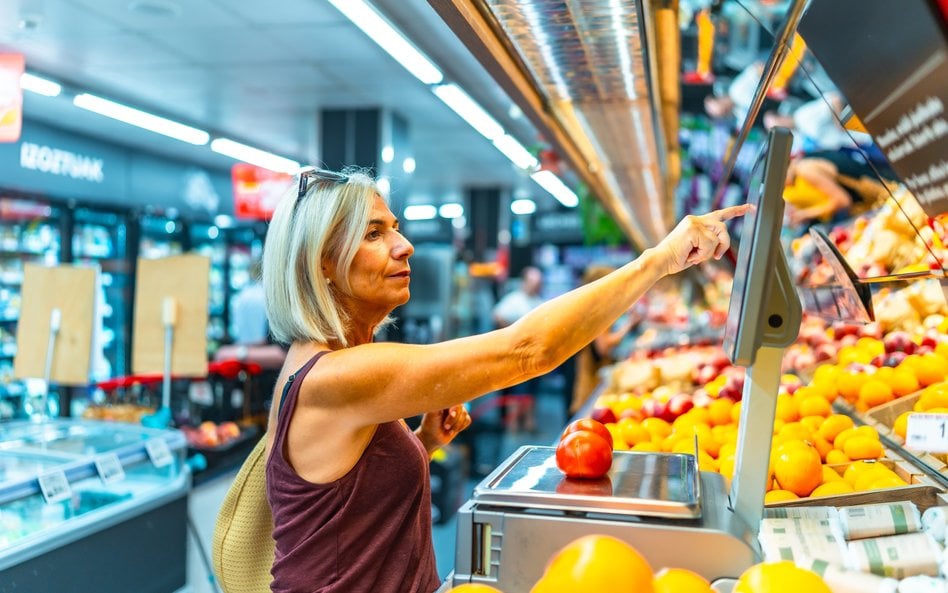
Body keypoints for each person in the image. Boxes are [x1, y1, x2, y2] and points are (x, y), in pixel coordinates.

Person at [261, 165, 749, 593]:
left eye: (395, 227)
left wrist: (420, 443)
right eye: (373, 234)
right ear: (323, 263)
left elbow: (340, 504)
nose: (403, 245)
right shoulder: (336, 376)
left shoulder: (337, 365)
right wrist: (657, 261)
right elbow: (527, 350)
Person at [569, 265, 642, 415]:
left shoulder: (588, 306)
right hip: (590, 381)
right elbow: (603, 346)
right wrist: (628, 326)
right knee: (585, 414)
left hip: (587, 377)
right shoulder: (597, 310)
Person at [491, 265, 545, 432]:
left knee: (531, 392)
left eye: (538, 283)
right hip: (515, 356)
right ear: (524, 282)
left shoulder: (539, 302)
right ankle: (512, 425)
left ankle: (529, 422)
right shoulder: (513, 299)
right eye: (532, 282)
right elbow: (497, 316)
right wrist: (514, 333)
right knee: (516, 391)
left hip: (534, 356)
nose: (535, 286)